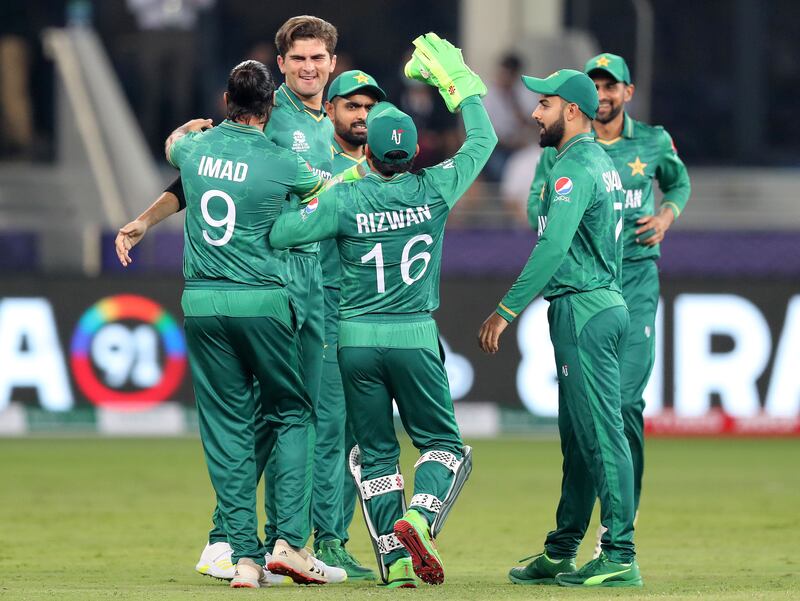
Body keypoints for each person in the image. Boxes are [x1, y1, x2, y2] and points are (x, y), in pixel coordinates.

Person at [269, 33, 496, 588]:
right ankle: (420, 517)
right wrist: (461, 87)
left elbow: (281, 231)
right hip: (414, 335)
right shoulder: (435, 188)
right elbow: (484, 140)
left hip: (353, 341)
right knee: (443, 446)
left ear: (366, 150)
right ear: (415, 152)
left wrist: (335, 184)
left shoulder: (345, 196)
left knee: (372, 456)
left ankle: (394, 565)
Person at [118, 60, 329, 588]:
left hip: (203, 304)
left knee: (228, 430)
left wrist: (193, 129)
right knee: (292, 413)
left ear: (225, 103)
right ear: (269, 107)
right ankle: (288, 543)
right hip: (261, 301)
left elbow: (173, 145)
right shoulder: (282, 162)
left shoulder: (193, 150)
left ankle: (243, 559)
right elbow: (323, 192)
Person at [478, 69, 642, 587]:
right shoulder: (595, 160)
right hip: (598, 303)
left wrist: (506, 309)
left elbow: (552, 248)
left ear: (572, 110)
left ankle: (619, 553)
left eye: (544, 104)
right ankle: (562, 549)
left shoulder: (574, 168)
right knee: (579, 439)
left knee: (600, 435)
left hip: (584, 308)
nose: (534, 113)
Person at [528, 53, 691, 556]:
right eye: (594, 84)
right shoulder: (565, 149)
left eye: (610, 85)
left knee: (622, 404)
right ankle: (568, 540)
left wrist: (666, 215)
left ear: (628, 92)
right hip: (591, 281)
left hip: (636, 278)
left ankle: (620, 526)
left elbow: (680, 182)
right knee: (582, 415)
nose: (601, 93)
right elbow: (538, 200)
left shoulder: (653, 141)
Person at [311, 70, 386, 581]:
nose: (361, 115)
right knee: (330, 430)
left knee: (362, 435)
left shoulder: (386, 166)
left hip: (375, 313)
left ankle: (336, 537)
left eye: (368, 107)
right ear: (331, 109)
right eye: (351, 106)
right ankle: (325, 542)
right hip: (328, 308)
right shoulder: (318, 163)